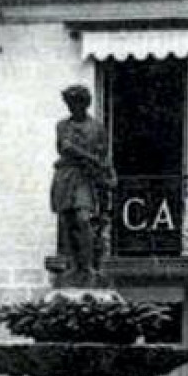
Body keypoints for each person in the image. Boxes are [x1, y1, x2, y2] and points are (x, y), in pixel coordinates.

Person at [51, 84, 116, 287]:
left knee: (83, 218)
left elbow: (102, 157)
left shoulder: (96, 128)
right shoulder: (62, 125)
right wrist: (87, 156)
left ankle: (87, 266)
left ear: (84, 104)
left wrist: (82, 155)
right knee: (67, 220)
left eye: (76, 103)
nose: (72, 108)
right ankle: (71, 265)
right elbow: (64, 148)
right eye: (69, 104)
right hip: (65, 177)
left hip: (85, 178)